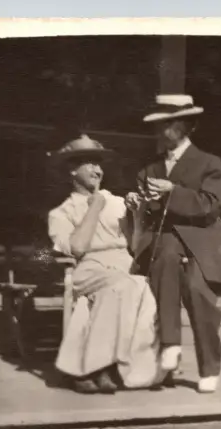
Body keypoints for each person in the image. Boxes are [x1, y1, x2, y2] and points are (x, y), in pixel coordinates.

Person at [127, 94, 221, 394]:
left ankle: (209, 368)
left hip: (203, 241)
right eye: (159, 125)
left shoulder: (210, 163)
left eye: (169, 125)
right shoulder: (148, 170)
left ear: (187, 126)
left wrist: (173, 192)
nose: (161, 131)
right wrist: (137, 202)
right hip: (164, 241)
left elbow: (210, 205)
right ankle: (170, 345)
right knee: (164, 260)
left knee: (198, 292)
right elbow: (147, 217)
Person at [47, 134, 165, 394]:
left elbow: (135, 245)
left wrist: (137, 215)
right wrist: (94, 206)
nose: (97, 170)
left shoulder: (119, 202)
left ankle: (133, 370)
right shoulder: (61, 213)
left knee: (142, 286)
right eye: (88, 163)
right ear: (72, 170)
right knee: (123, 287)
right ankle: (96, 367)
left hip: (124, 265)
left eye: (99, 164)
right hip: (89, 268)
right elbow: (76, 248)